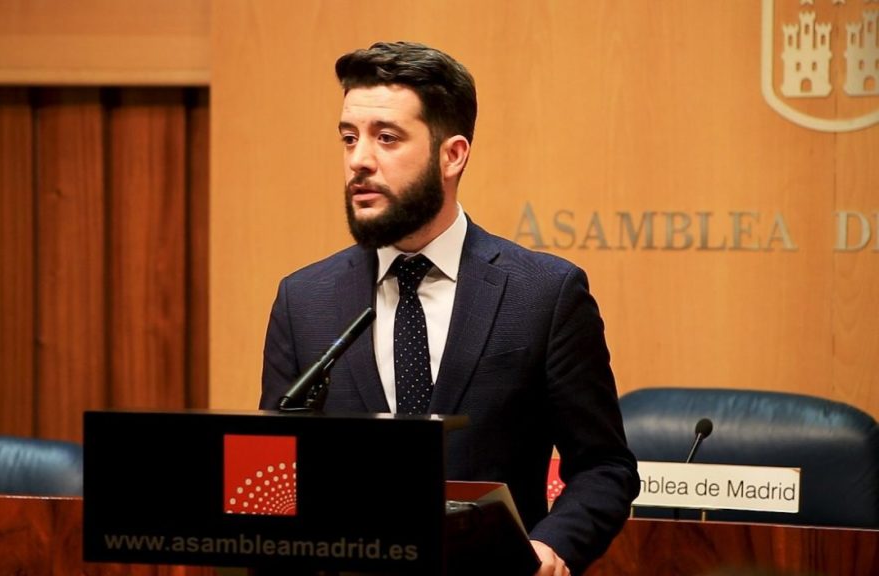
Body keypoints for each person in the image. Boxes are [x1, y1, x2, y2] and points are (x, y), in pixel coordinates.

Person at [260, 41, 639, 575]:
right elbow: (280, 474)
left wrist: (552, 547)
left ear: (452, 154)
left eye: (386, 138)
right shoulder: (305, 300)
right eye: (349, 138)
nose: (358, 160)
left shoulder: (545, 294)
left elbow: (605, 466)